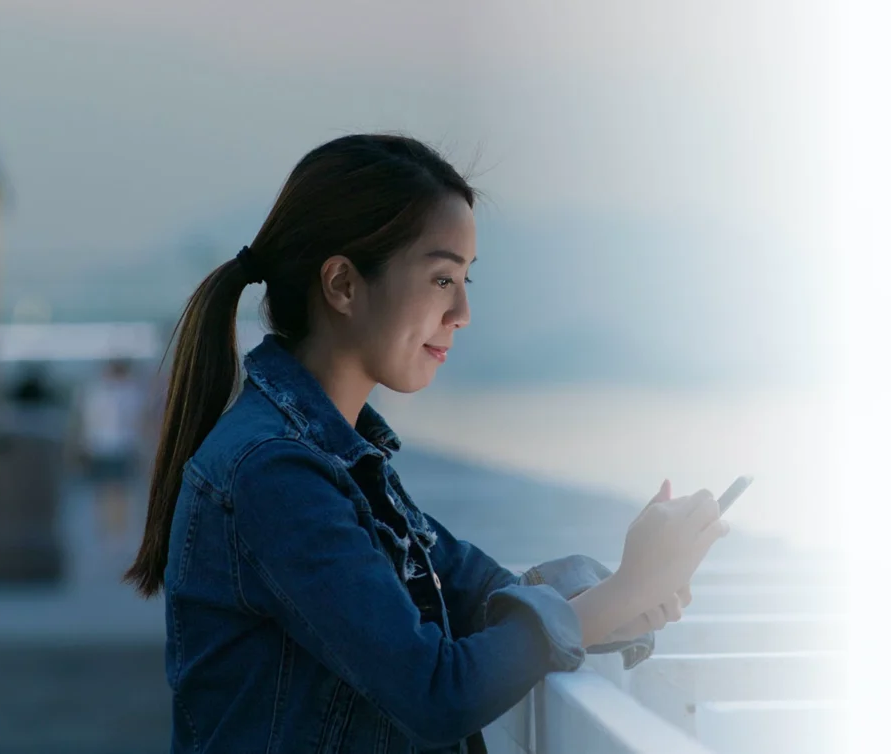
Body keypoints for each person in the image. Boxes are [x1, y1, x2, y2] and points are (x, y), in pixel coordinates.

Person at [123, 134, 728, 754]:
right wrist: (622, 592)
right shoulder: (275, 473)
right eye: (442, 279)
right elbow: (437, 692)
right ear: (342, 284)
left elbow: (479, 594)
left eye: (465, 280)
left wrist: (622, 597)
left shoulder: (345, 460)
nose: (463, 310)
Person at [76, 358, 147, 538]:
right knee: (105, 487)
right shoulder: (99, 391)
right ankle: (107, 525)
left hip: (119, 445)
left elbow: (136, 420)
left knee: (118, 488)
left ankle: (117, 526)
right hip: (104, 445)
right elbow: (90, 420)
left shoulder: (128, 391)